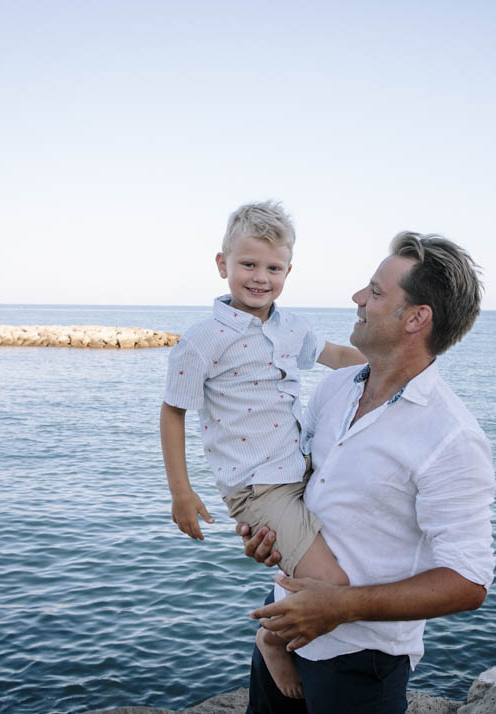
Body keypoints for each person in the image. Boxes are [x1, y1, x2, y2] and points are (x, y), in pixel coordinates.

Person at [240, 232, 496, 714]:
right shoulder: (334, 389)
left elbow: (469, 579)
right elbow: (299, 491)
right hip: (284, 629)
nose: (358, 299)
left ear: (416, 318)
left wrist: (343, 606)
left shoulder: (451, 437)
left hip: (361, 664)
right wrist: (265, 536)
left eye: (376, 292)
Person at [160, 200, 365, 699]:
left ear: (288, 271)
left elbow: (334, 355)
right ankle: (273, 638)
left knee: (362, 541)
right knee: (331, 585)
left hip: (299, 464)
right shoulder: (203, 338)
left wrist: (398, 362)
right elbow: (173, 412)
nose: (260, 278)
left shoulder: (290, 326)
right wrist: (181, 494)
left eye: (273, 268)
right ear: (222, 264)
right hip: (257, 485)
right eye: (248, 265)